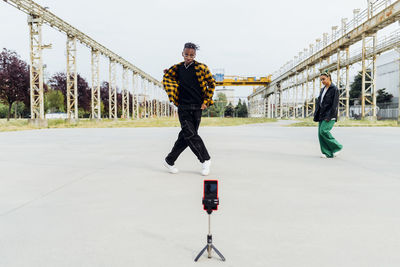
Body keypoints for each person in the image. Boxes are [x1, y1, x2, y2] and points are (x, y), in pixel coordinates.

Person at [162, 42, 216, 175]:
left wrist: (206, 101)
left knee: (187, 136)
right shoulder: (178, 68)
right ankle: (205, 160)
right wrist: (166, 72)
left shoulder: (201, 68)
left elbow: (212, 83)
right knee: (191, 134)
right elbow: (169, 76)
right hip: (183, 106)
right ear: (182, 54)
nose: (189, 57)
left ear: (195, 55)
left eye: (191, 55)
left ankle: (169, 161)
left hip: (198, 106)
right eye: (186, 54)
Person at [313, 70, 343, 158]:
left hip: (330, 115)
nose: (322, 81)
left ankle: (337, 147)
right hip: (321, 115)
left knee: (324, 131)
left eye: (323, 79)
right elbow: (319, 102)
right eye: (321, 80)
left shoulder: (334, 89)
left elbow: (334, 105)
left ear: (329, 78)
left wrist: (330, 116)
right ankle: (327, 153)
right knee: (320, 134)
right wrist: (316, 114)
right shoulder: (323, 89)